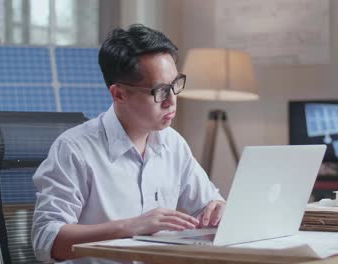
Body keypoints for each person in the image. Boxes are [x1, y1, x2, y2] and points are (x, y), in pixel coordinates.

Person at [31, 24, 226, 263]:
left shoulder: (173, 143)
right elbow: (46, 241)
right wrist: (130, 226)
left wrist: (219, 210)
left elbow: (209, 206)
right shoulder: (74, 149)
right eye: (160, 91)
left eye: (175, 85)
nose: (172, 101)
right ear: (119, 94)